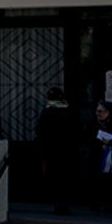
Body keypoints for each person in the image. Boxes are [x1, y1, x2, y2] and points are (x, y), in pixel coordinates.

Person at [36, 87, 76, 215]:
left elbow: (40, 132)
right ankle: (65, 204)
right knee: (66, 178)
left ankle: (58, 204)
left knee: (55, 178)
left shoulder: (47, 112)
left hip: (51, 152)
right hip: (68, 151)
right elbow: (78, 131)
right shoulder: (69, 112)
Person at [91, 102, 112, 211]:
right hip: (96, 155)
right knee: (96, 179)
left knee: (109, 180)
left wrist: (110, 143)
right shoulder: (93, 124)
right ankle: (96, 202)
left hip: (111, 156)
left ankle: (108, 202)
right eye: (97, 111)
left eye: (100, 111)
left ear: (108, 112)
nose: (98, 114)